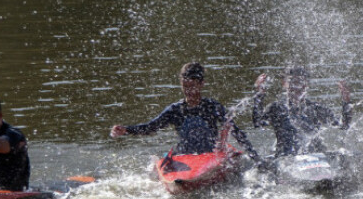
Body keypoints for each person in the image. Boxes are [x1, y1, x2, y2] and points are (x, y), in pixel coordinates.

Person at [110, 62, 259, 160]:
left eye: (192, 86)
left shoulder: (212, 107)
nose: (188, 91)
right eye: (185, 86)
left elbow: (236, 132)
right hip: (184, 156)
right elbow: (151, 127)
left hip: (209, 157)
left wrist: (256, 158)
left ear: (202, 84)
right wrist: (126, 129)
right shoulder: (175, 110)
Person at [251, 65, 352, 156]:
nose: (297, 87)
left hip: (315, 156)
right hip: (286, 158)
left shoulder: (315, 108)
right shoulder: (276, 108)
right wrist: (258, 95)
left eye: (301, 82)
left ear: (306, 85)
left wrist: (346, 102)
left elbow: (343, 125)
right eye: (293, 82)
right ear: (285, 84)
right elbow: (258, 123)